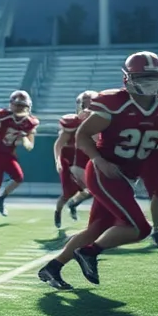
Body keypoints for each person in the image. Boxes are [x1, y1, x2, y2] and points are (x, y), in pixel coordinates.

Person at [38, 52, 158, 290]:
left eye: (153, 77)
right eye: (143, 77)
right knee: (141, 228)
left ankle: (52, 268)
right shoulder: (115, 102)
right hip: (104, 172)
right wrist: (99, 160)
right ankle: (89, 252)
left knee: (96, 228)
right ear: (127, 79)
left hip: (127, 176)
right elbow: (82, 135)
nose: (149, 82)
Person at [0, 90, 39, 221]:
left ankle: (1, 198)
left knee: (19, 177)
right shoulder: (4, 116)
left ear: (28, 107)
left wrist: (24, 138)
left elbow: (30, 147)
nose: (19, 108)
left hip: (9, 153)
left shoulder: (30, 122)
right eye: (17, 105)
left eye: (22, 106)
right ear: (11, 105)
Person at [52, 91, 96, 230]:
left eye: (92, 105)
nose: (89, 109)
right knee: (68, 193)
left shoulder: (99, 123)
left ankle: (74, 204)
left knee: (93, 190)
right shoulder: (73, 122)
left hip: (84, 160)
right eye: (86, 105)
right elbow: (58, 144)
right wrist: (58, 161)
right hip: (68, 161)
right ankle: (58, 212)